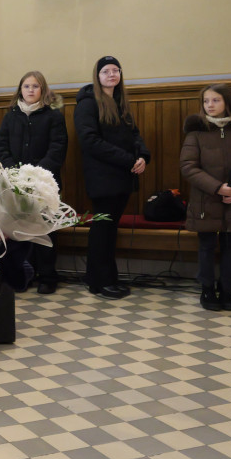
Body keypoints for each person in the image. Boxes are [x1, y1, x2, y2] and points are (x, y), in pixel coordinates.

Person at [73, 56, 150, 299]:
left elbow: (134, 134)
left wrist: (143, 156)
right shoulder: (87, 103)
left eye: (115, 70)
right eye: (106, 71)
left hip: (122, 176)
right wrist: (128, 160)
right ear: (97, 76)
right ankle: (99, 281)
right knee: (102, 228)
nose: (111, 75)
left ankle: (106, 278)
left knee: (110, 228)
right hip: (103, 177)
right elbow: (90, 141)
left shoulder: (120, 100)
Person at [0, 71, 69, 294]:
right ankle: (25, 274)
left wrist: (36, 175)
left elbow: (58, 147)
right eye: (26, 86)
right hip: (16, 183)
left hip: (44, 183)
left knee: (45, 228)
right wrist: (14, 173)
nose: (30, 90)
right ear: (20, 90)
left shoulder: (53, 116)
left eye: (35, 86)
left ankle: (47, 276)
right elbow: (1, 145)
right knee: (21, 229)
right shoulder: (11, 115)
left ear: (42, 90)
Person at [180, 84, 231, 311]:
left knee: (229, 245)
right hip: (206, 199)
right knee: (206, 245)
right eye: (206, 101)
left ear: (227, 102)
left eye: (215, 100)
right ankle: (207, 289)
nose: (210, 105)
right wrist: (218, 188)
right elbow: (188, 166)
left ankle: (226, 291)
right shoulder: (196, 132)